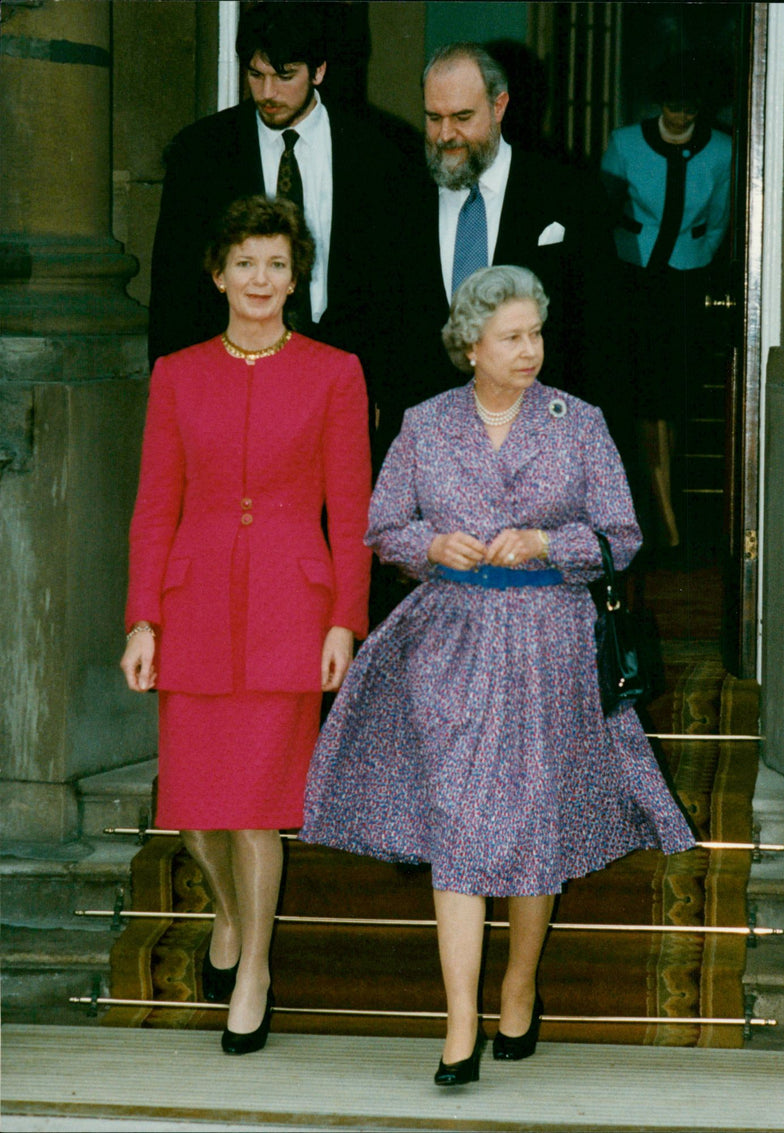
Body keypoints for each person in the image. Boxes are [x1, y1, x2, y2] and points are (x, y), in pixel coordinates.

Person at [301, 265, 695, 1086]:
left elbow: (623, 535)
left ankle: (518, 983)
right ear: (470, 345)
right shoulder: (423, 424)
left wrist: (550, 544)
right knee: (457, 825)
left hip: (551, 642)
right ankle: (457, 1025)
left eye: (536, 333)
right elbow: (383, 525)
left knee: (532, 823)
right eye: (513, 336)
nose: (530, 350)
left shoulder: (577, 422)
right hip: (450, 643)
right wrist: (428, 547)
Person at [121, 195, 372, 1056]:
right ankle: (229, 914)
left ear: (296, 277)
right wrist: (141, 619)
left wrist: (346, 618)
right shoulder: (178, 374)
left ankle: (255, 967)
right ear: (219, 274)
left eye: (276, 264)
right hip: (192, 608)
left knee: (257, 808)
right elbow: (154, 508)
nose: (260, 280)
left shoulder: (336, 371)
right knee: (196, 811)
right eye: (245, 264)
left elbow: (355, 506)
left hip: (289, 612)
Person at [148, 1, 407, 417]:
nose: (267, 94)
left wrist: (387, 399)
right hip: (229, 388)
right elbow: (172, 292)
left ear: (318, 71)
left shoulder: (379, 155)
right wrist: (176, 402)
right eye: (256, 75)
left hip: (343, 386)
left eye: (285, 76)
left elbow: (395, 292)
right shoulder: (201, 154)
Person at [379, 43, 624, 464]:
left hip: (540, 447)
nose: (445, 135)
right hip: (427, 454)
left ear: (499, 106)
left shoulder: (567, 194)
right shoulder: (396, 198)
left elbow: (601, 337)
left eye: (462, 117)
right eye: (433, 118)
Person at [600, 56, 732, 553]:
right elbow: (604, 209)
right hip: (632, 280)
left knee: (671, 398)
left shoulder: (722, 151)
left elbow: (719, 220)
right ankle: (658, 518)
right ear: (658, 101)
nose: (678, 117)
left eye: (689, 108)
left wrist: (697, 257)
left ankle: (666, 511)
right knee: (641, 398)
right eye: (671, 106)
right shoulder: (625, 143)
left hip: (684, 285)